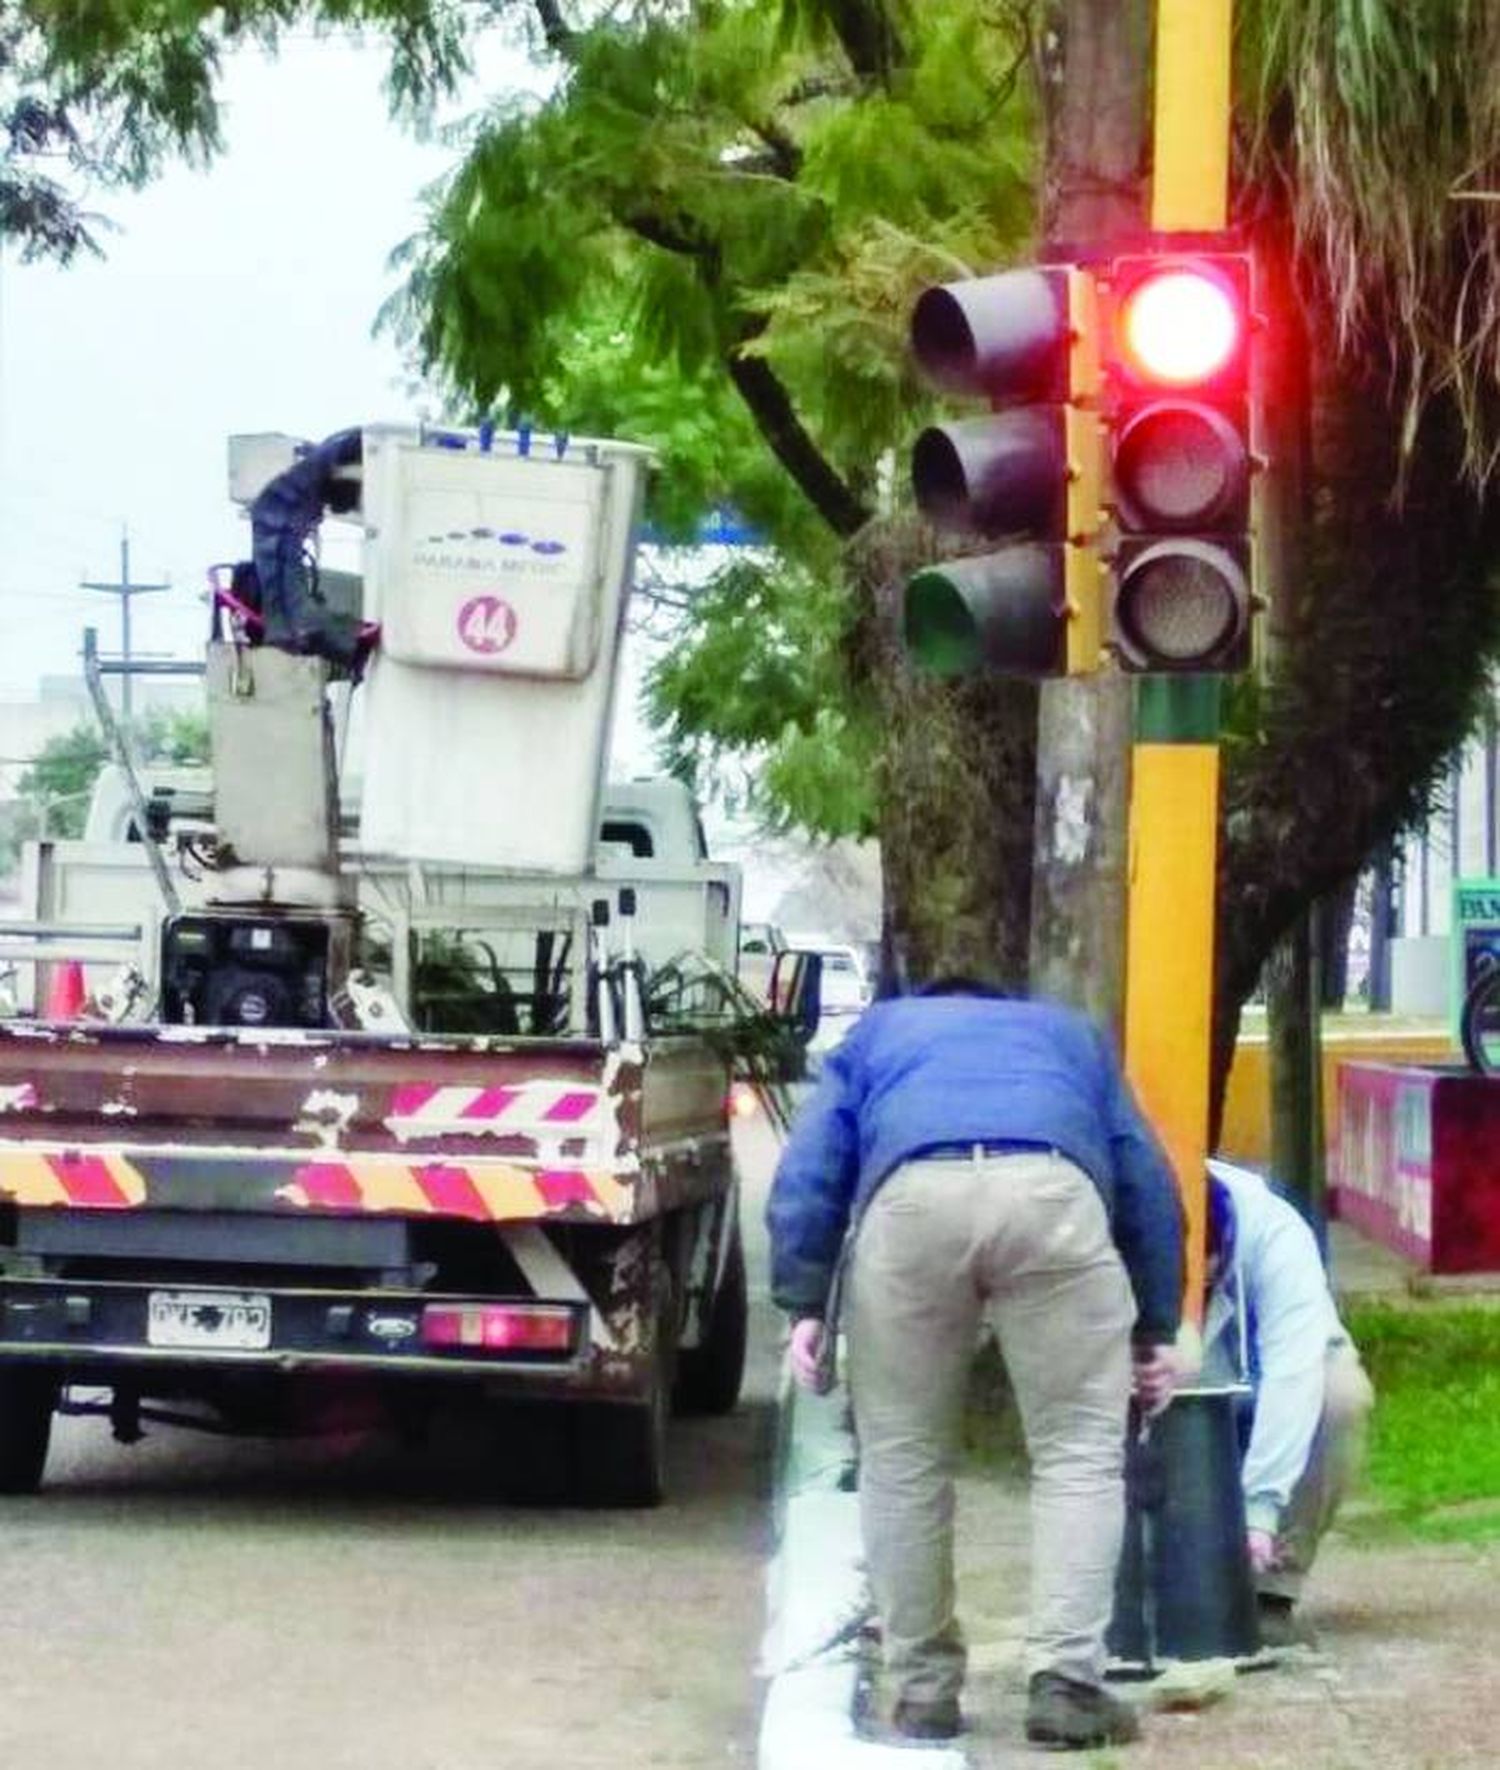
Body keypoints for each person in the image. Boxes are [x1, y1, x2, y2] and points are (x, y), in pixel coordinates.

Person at [766, 979, 1184, 1751]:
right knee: (1078, 1453)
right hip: (1054, 1197)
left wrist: (805, 1302)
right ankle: (1066, 1684)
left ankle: (923, 1691)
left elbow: (811, 1168)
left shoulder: (877, 1036)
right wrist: (1156, 1325)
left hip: (909, 1204)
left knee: (902, 1460)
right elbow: (1145, 1177)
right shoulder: (1069, 1036)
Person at [1201, 1158, 1375, 1646]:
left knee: (1338, 1394)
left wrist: (1261, 1509)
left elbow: (1295, 1371)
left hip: (1261, 1382)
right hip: (1172, 1391)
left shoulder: (1274, 1232)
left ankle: (1271, 1591)